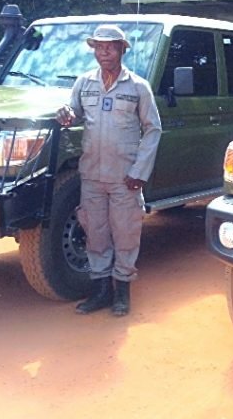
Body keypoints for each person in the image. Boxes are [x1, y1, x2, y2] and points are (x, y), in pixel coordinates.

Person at [56, 24, 162, 317]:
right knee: (96, 234)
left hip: (125, 178)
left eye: (110, 46)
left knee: (126, 234)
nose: (104, 52)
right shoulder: (84, 83)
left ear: (122, 49)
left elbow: (153, 130)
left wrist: (140, 171)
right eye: (99, 47)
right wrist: (66, 113)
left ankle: (122, 294)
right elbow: (73, 112)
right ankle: (101, 293)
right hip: (91, 174)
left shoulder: (138, 87)